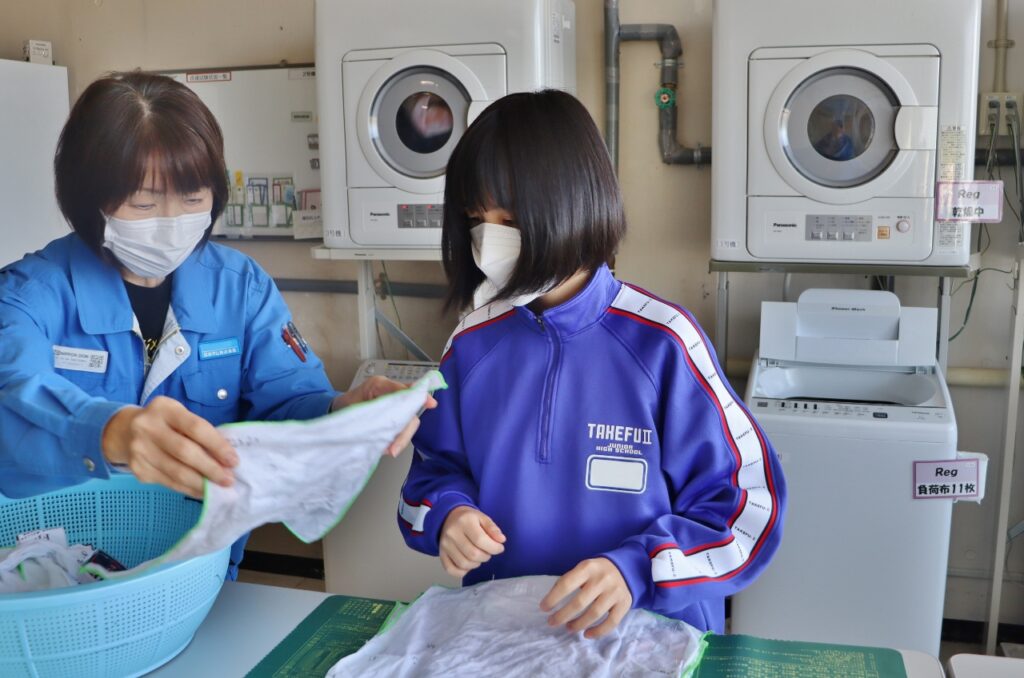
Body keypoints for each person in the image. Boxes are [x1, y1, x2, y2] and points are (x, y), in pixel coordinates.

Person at [0, 71, 433, 579]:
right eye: (143, 202)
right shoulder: (30, 293)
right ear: (88, 198)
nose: (170, 220)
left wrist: (345, 410)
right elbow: (15, 391)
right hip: (56, 577)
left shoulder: (239, 287)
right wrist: (110, 432)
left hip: (199, 574)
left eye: (192, 199)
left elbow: (288, 404)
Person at [398, 90, 786, 639]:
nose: (488, 242)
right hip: (507, 637)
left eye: (509, 218)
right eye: (475, 220)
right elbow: (431, 473)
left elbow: (748, 509)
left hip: (651, 638)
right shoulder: (472, 343)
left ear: (575, 204)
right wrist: (448, 516)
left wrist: (638, 570)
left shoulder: (663, 343)